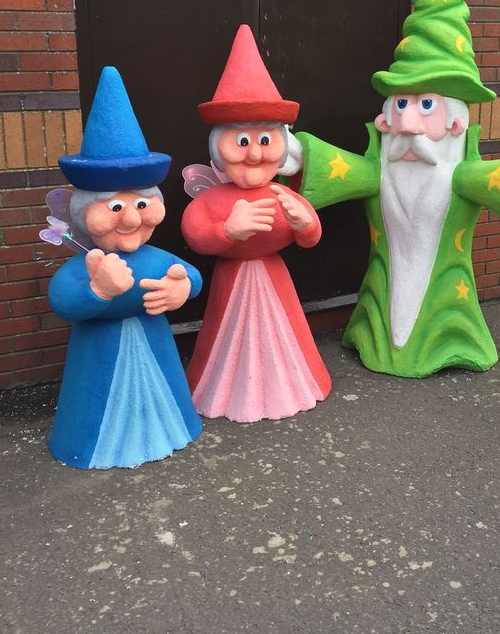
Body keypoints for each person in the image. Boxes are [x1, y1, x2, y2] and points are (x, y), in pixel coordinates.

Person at [283, 0, 500, 377]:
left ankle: (448, 343)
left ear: (456, 122)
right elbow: (336, 170)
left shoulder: (462, 174)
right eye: (401, 104)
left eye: (426, 105)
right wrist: (297, 155)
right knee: (378, 305)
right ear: (384, 118)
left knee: (446, 308)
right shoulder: (378, 168)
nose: (407, 123)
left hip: (448, 294)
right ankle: (372, 336)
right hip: (380, 294)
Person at [48, 67, 203, 468]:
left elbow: (188, 273)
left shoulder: (156, 257)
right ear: (82, 213)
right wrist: (96, 291)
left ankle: (173, 426)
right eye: (115, 207)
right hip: (95, 353)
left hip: (155, 344)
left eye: (142, 204)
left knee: (166, 393)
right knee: (94, 400)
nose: (132, 220)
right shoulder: (86, 263)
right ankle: (94, 444)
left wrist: (183, 288)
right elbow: (62, 298)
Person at [182, 25, 331, 423]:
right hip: (229, 281)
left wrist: (305, 223)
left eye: (264, 141)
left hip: (275, 278)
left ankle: (293, 383)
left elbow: (311, 238)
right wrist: (226, 231)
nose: (253, 155)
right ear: (218, 147)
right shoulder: (213, 199)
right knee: (224, 338)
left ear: (281, 146)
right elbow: (195, 233)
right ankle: (222, 389)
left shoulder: (283, 195)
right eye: (241, 141)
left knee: (285, 335)